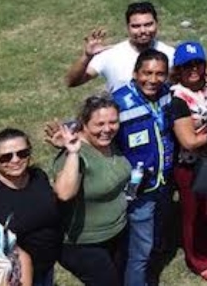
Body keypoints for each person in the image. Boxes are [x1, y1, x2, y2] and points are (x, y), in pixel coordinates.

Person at [50, 95, 131, 286]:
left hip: (117, 233)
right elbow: (64, 193)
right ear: (84, 125)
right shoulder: (76, 156)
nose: (107, 129)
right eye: (99, 124)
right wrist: (72, 152)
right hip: (83, 244)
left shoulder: (111, 143)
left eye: (113, 122)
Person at [110, 49, 175, 286]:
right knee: (140, 249)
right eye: (147, 73)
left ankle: (147, 275)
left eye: (160, 74)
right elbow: (94, 130)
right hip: (138, 188)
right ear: (135, 73)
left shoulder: (167, 93)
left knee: (156, 237)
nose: (153, 79)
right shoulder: (118, 102)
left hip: (164, 181)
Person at [168, 42, 207, 283]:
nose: (193, 69)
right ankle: (200, 260)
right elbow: (189, 141)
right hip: (190, 165)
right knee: (194, 214)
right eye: (186, 65)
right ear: (178, 69)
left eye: (197, 63)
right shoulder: (178, 98)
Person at [0, 129, 62, 286]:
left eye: (22, 153)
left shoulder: (38, 176)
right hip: (15, 277)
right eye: (6, 157)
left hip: (47, 267)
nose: (15, 160)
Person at [65, 1, 175, 93]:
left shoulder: (171, 54)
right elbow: (72, 82)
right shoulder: (111, 55)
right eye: (136, 26)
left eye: (148, 24)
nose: (143, 31)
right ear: (127, 27)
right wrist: (86, 56)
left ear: (157, 24)